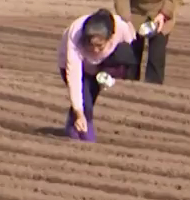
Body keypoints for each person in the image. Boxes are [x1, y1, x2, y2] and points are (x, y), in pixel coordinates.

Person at [58, 8, 138, 142]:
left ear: (110, 37)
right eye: (91, 45)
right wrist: (79, 112)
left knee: (90, 97)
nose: (95, 50)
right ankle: (83, 136)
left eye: (99, 46)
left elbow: (130, 47)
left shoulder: (121, 28)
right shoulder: (75, 35)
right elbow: (74, 76)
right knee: (85, 103)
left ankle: (74, 127)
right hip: (77, 67)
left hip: (100, 67)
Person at [113, 0, 183, 85]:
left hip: (160, 16)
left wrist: (163, 14)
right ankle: (129, 87)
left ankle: (153, 89)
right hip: (135, 13)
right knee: (131, 58)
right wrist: (127, 22)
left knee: (156, 58)